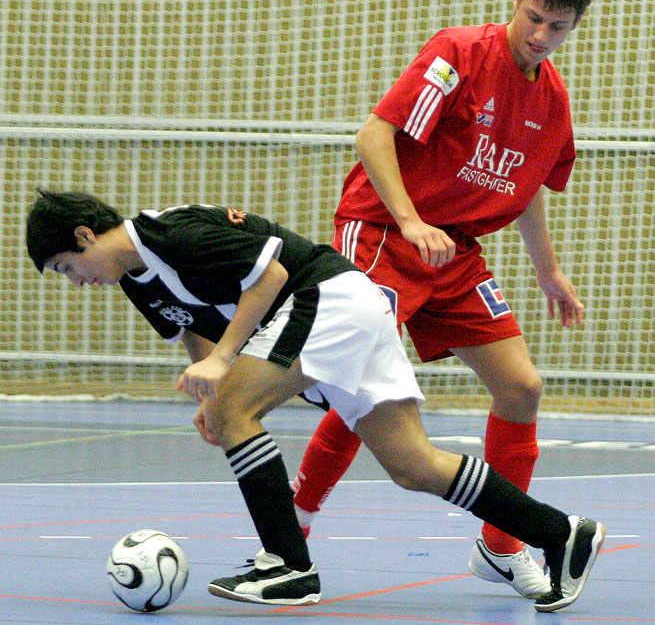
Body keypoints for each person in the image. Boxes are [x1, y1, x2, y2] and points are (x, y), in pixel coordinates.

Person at [26, 189, 604, 613]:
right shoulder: (136, 279)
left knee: (237, 410)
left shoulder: (169, 234)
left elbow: (270, 277)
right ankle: (560, 533)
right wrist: (208, 387)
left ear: (84, 237)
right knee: (413, 465)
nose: (75, 281)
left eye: (66, 267)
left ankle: (289, 566)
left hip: (325, 297)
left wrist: (224, 370)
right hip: (348, 313)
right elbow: (193, 330)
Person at [290, 0, 597, 599]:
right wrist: (406, 221)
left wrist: (548, 273)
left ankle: (500, 545)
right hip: (381, 229)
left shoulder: (553, 103)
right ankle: (293, 528)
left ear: (575, 26)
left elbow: (528, 187)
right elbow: (374, 135)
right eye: (534, 18)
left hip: (452, 252)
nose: (541, 36)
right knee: (360, 382)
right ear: (516, 1)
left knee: (520, 387)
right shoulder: (459, 54)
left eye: (557, 26)